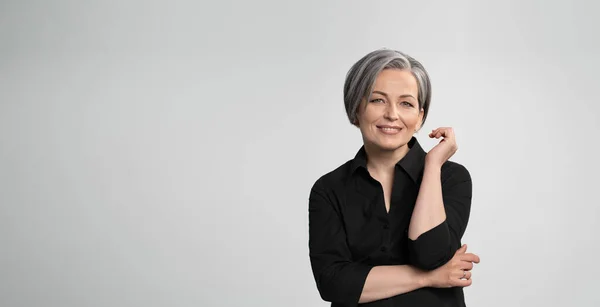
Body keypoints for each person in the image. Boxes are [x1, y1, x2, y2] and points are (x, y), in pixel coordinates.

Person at [307, 49, 481, 307]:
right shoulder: (329, 189)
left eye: (406, 103)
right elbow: (333, 282)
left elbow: (430, 253)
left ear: (420, 117)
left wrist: (432, 165)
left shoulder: (452, 178)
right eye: (378, 100)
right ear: (356, 108)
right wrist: (430, 278)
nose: (392, 114)